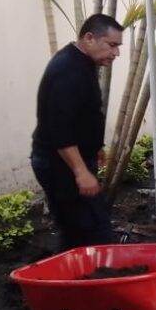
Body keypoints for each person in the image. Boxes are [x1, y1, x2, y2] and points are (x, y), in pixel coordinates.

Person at [31, 13, 123, 251]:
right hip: (59, 165)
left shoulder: (82, 62)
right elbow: (60, 129)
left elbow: (81, 114)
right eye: (112, 45)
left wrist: (95, 147)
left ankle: (67, 280)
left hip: (69, 160)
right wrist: (81, 171)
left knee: (76, 231)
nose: (116, 53)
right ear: (90, 38)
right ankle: (95, 280)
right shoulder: (68, 70)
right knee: (94, 229)